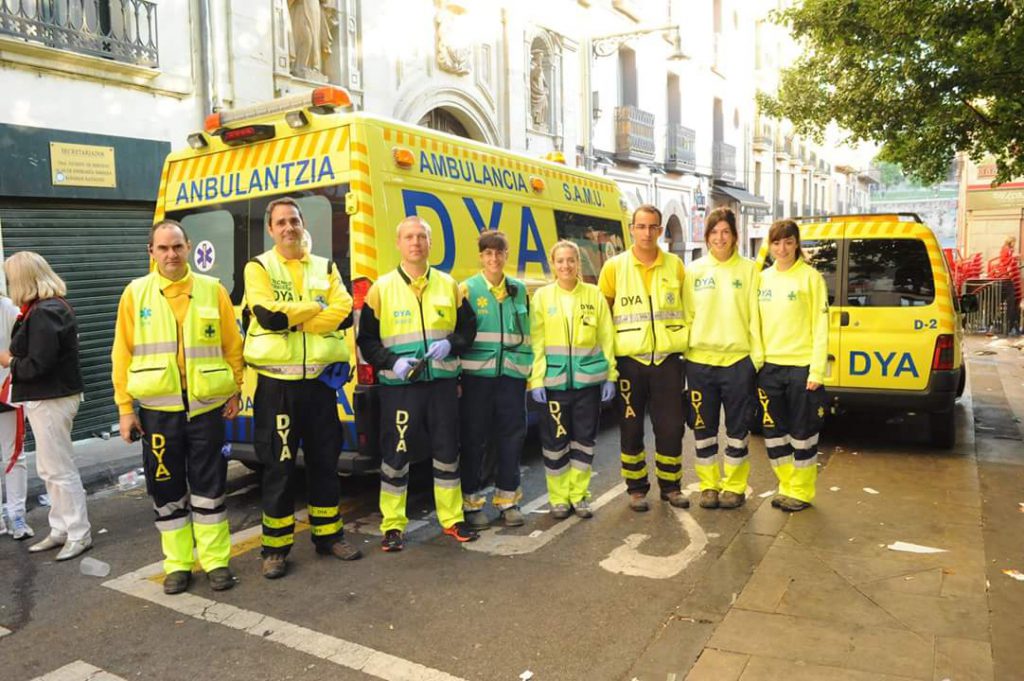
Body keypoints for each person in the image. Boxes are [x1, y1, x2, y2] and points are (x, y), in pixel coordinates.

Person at [112, 220, 244, 594]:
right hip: (157, 411)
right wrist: (125, 408)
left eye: (177, 247)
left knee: (211, 488)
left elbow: (232, 345)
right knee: (166, 488)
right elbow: (122, 353)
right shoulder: (135, 295)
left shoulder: (212, 290)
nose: (171, 255)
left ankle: (217, 561)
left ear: (189, 248)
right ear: (151, 252)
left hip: (206, 409)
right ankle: (178, 564)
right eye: (163, 248)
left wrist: (235, 389)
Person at [245, 197, 361, 579]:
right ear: (271, 229)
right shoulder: (259, 267)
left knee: (325, 463)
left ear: (301, 223)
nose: (289, 227)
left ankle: (329, 536)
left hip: (319, 387)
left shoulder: (326, 266)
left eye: (293, 220)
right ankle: (274, 549)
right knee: (278, 467)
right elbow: (267, 315)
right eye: (281, 222)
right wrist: (315, 309)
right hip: (277, 387)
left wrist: (298, 317)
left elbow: (344, 312)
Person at [356, 216, 480, 552]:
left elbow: (469, 330)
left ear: (429, 243)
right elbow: (365, 340)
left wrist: (451, 344)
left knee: (446, 453)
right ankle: (393, 525)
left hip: (441, 385)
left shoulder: (448, 285)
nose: (415, 243)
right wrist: (390, 361)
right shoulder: (380, 289)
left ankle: (452, 519)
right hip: (400, 387)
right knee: (395, 455)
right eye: (409, 237)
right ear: (398, 244)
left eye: (421, 237)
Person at [598, 205, 689, 512]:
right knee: (631, 427)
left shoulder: (675, 265)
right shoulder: (614, 267)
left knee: (671, 427)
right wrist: (609, 363)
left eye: (653, 227)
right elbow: (603, 315)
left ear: (660, 231)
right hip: (630, 361)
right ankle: (636, 488)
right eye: (641, 226)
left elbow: (687, 310)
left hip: (667, 360)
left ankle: (671, 486)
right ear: (631, 229)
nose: (647, 233)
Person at [0, 251, 91, 560]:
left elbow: (39, 364)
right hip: (48, 397)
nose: (9, 283)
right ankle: (61, 528)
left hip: (51, 397)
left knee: (59, 469)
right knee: (50, 468)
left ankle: (78, 532)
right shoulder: (46, 309)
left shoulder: (44, 313)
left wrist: (9, 361)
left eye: (12, 278)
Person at [529, 240, 617, 519]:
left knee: (584, 442)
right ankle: (558, 498)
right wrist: (537, 379)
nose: (565, 265)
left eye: (571, 260)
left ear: (578, 263)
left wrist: (610, 376)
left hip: (588, 384)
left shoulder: (593, 295)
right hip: (553, 385)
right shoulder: (542, 297)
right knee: (555, 444)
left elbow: (606, 337)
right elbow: (537, 341)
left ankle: (579, 496)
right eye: (560, 261)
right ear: (552, 265)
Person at [683, 208, 763, 510]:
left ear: (735, 236)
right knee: (702, 429)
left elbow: (756, 318)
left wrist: (754, 361)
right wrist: (686, 357)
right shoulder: (693, 271)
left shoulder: (750, 270)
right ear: (707, 237)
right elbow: (687, 316)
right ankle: (708, 485)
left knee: (737, 429)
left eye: (725, 232)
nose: (720, 238)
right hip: (700, 363)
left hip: (738, 362)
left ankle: (734, 486)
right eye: (714, 232)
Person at [458, 230, 532, 529]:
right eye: (488, 253)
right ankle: (471, 504)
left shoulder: (519, 289)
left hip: (512, 377)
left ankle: (508, 501)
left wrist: (528, 372)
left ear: (506, 255)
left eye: (499, 253)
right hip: (477, 377)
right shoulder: (467, 289)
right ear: (480, 256)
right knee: (474, 440)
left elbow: (529, 335)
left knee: (511, 439)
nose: (494, 258)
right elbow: (459, 335)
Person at [756, 220, 829, 512]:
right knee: (774, 433)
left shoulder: (810, 278)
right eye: (776, 243)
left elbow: (821, 326)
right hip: (769, 369)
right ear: (770, 245)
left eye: (788, 242)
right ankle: (786, 484)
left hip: (801, 368)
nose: (782, 249)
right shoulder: (762, 279)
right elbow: (755, 325)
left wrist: (816, 370)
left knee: (803, 433)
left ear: (796, 243)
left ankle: (801, 490)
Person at [0, 292, 31, 540]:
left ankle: (17, 515)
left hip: (6, 390)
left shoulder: (8, 308)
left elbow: (26, 345)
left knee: (13, 455)